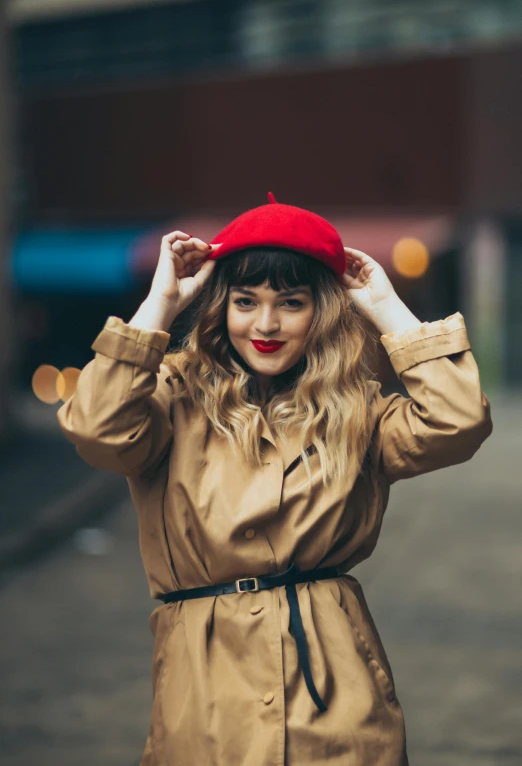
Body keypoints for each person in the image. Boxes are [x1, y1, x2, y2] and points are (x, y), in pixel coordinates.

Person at [57, 195, 493, 766]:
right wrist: (159, 305)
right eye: (245, 301)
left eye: (291, 302)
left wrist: (388, 309)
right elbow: (96, 430)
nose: (265, 324)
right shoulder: (171, 393)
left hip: (335, 687)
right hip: (205, 690)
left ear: (324, 312)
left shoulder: (357, 409)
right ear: (221, 307)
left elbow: (458, 422)